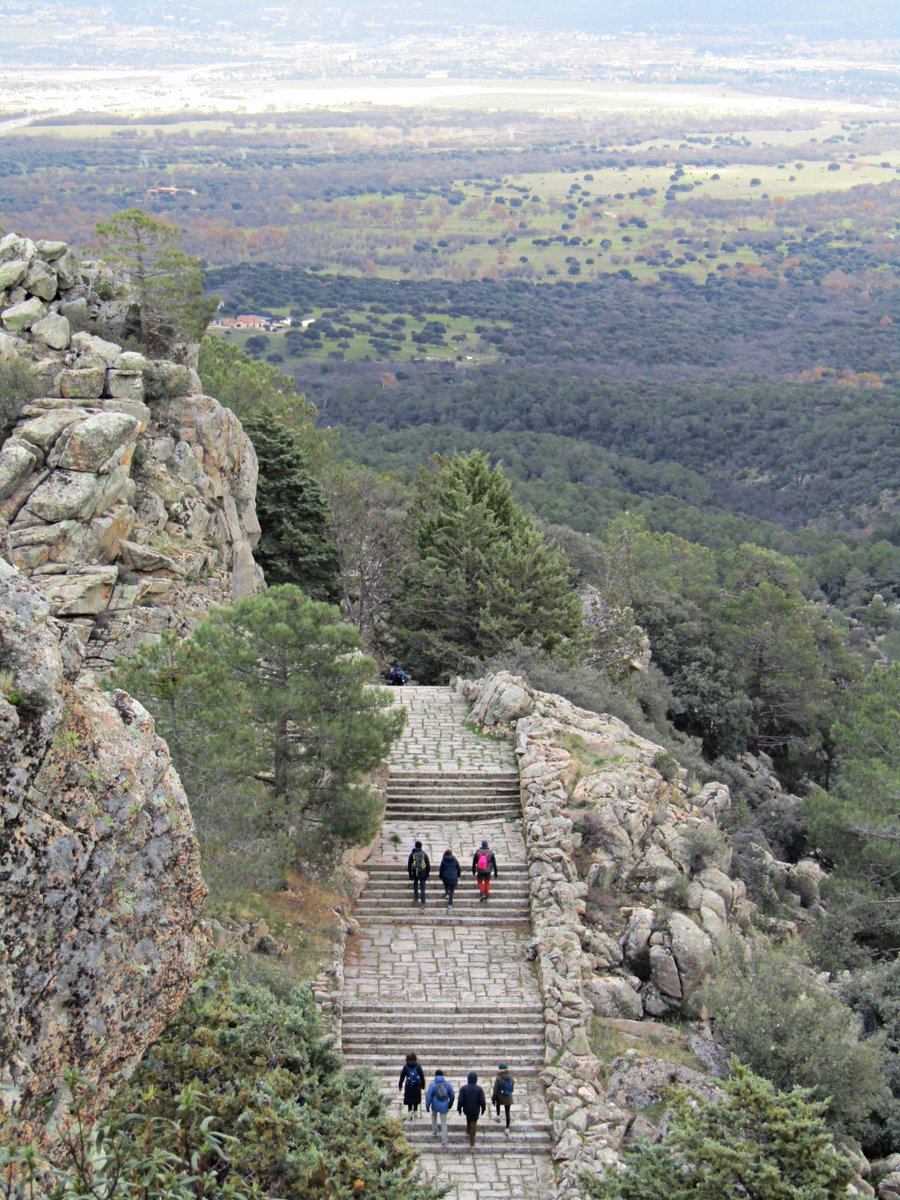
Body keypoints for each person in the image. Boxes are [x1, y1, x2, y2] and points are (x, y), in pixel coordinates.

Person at [457, 1070, 486, 1148]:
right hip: (475, 1110)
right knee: (473, 1123)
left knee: (468, 1118)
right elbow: (482, 1101)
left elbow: (460, 1100)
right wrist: (483, 1109)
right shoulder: (479, 1089)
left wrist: (459, 1108)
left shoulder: (463, 1088)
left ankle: (468, 1130)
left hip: (466, 1108)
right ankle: (472, 1141)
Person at [425, 1070, 455, 1147]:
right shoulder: (447, 1084)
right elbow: (452, 1095)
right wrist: (450, 1104)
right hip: (444, 1106)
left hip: (435, 1105)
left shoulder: (433, 1084)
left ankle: (434, 1131)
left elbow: (429, 1096)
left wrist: (427, 1106)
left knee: (434, 1115)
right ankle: (444, 1142)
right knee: (443, 1123)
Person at [398, 1051, 425, 1120]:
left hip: (409, 1086)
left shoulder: (406, 1067)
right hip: (416, 1086)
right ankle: (415, 1112)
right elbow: (422, 1076)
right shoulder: (418, 1066)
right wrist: (423, 1085)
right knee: (416, 1099)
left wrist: (400, 1085)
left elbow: (402, 1077)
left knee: (409, 1099)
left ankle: (410, 1113)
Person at [491, 1062, 515, 1136]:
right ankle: (507, 1128)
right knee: (507, 1112)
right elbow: (512, 1086)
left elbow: (495, 1090)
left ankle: (498, 1116)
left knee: (498, 1104)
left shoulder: (498, 1078)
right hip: (508, 1097)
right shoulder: (511, 1077)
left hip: (500, 1097)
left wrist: (493, 1098)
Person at [471, 838, 498, 902]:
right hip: (488, 870)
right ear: (487, 845)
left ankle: (482, 893)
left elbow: (474, 862)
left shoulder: (478, 852)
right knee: (487, 882)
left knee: (480, 881)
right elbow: (494, 863)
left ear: (482, 845)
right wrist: (496, 872)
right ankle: (486, 895)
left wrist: (473, 870)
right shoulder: (491, 853)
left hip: (480, 870)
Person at [407, 840, 430, 906]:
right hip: (423, 873)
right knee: (422, 888)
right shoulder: (424, 854)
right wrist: (427, 873)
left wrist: (410, 874)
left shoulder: (412, 854)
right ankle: (422, 902)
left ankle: (416, 898)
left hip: (415, 872)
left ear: (415, 846)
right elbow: (428, 865)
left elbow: (409, 865)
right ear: (421, 846)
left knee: (415, 885)